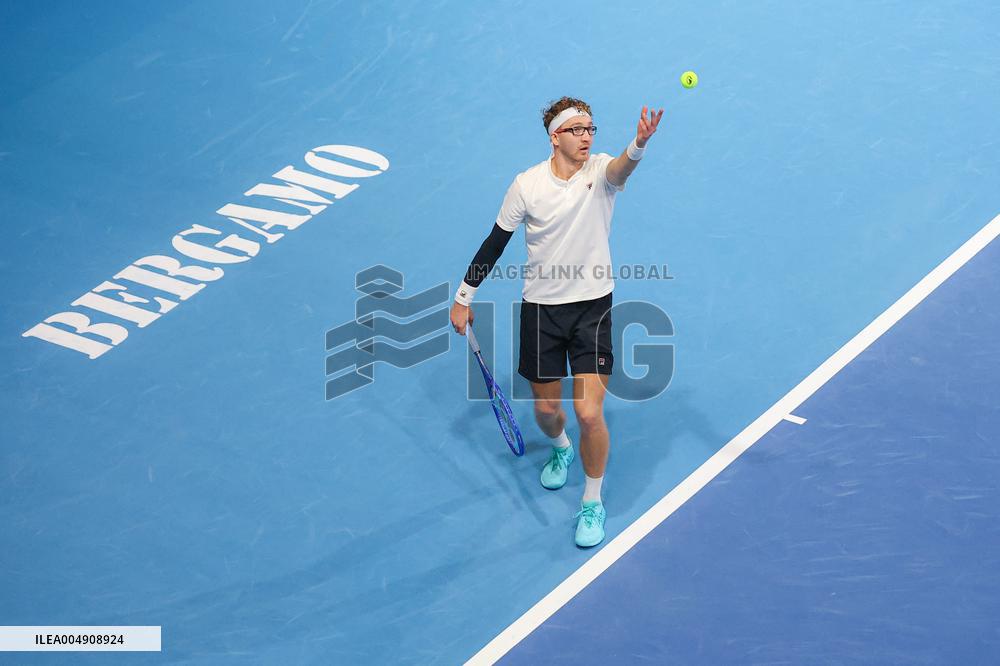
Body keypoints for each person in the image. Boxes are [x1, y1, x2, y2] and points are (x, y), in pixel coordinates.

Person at [450, 97, 663, 547]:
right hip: (541, 312)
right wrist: (463, 297)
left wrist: (639, 144)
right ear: (556, 136)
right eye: (578, 129)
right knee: (548, 412)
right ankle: (562, 449)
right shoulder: (526, 185)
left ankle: (592, 501)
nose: (587, 136)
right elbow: (495, 244)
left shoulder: (601, 173)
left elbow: (621, 170)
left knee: (589, 412)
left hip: (592, 309)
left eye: (591, 128)